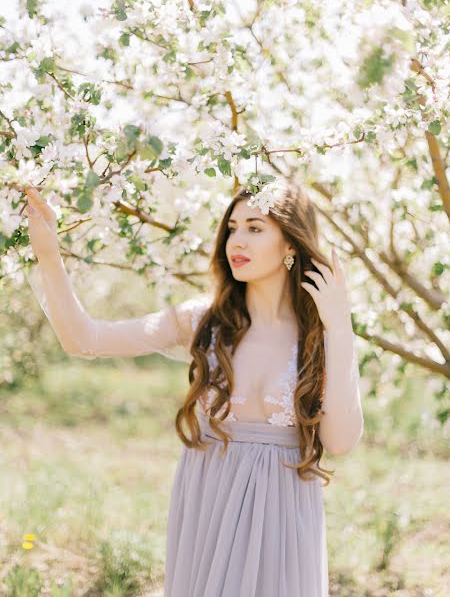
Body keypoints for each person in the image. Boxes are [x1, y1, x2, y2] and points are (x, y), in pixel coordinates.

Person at [24, 181, 363, 597]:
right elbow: (85, 339)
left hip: (283, 508)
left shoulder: (317, 332)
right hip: (210, 496)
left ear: (291, 243)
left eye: (255, 228)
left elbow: (341, 441)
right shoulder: (204, 320)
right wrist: (49, 254)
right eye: (232, 228)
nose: (237, 240)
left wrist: (340, 328)